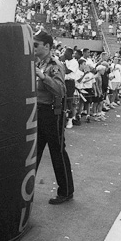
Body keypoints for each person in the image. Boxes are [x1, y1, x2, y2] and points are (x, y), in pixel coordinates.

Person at [34, 31, 74, 204]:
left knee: (57, 152)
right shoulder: (38, 63)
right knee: (33, 153)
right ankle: (24, 191)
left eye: (36, 45)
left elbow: (60, 90)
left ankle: (65, 191)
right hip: (38, 111)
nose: (33, 47)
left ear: (47, 46)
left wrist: (43, 77)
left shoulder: (54, 65)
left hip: (51, 113)